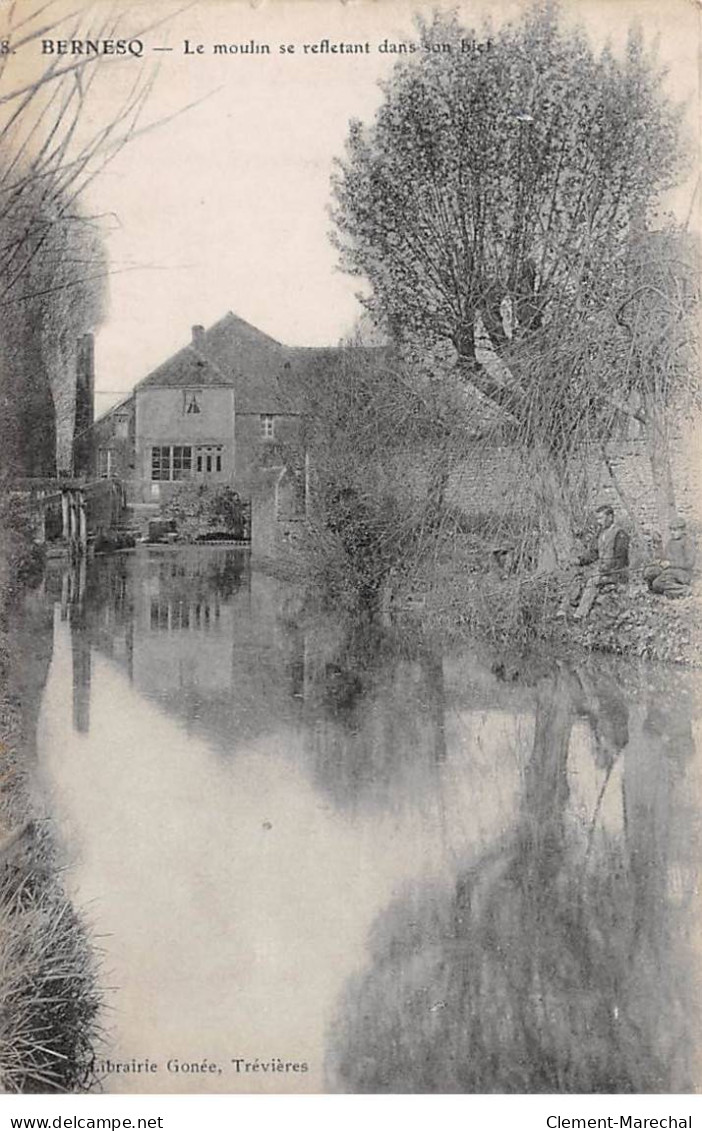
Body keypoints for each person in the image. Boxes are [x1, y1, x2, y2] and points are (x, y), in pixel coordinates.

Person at [570, 504, 630, 621]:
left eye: (601, 518)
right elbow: (594, 553)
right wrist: (580, 560)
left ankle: (580, 614)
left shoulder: (620, 534)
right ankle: (567, 609)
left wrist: (606, 569)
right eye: (597, 519)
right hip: (603, 570)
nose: (599, 522)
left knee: (593, 580)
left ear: (610, 517)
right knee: (578, 577)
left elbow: (621, 559)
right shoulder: (601, 534)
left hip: (617, 572)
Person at [643, 515, 697, 598]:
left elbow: (689, 563)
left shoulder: (687, 543)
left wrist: (670, 564)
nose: (672, 532)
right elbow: (665, 557)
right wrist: (659, 561)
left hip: (682, 573)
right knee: (649, 571)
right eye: (671, 530)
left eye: (675, 530)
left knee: (658, 583)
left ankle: (683, 589)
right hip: (670, 571)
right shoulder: (670, 542)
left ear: (683, 530)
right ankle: (657, 591)